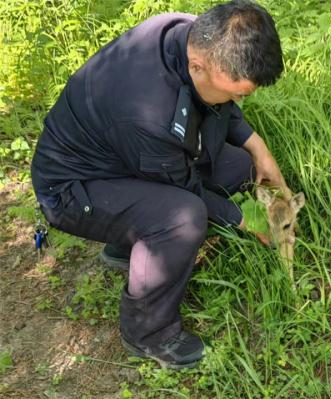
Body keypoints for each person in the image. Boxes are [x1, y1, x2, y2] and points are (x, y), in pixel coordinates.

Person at [30, 0, 289, 369]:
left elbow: (218, 112)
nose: (238, 101)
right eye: (237, 93)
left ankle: (126, 249)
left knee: (238, 167)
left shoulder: (187, 34)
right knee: (182, 217)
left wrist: (258, 147)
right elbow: (188, 191)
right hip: (74, 187)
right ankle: (148, 333)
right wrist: (248, 221)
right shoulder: (148, 114)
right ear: (198, 65)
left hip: (122, 154)